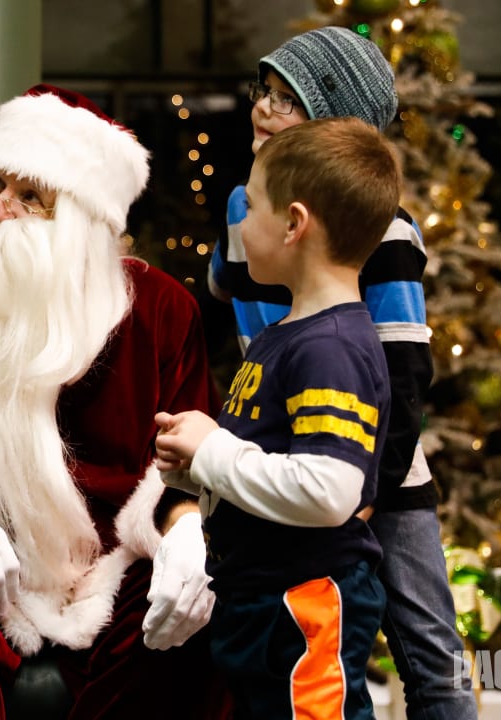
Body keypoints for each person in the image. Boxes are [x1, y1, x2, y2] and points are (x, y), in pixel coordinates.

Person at [0, 85, 231, 719]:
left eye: (31, 197)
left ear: (86, 229)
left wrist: (182, 532)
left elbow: (184, 461)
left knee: (188, 593)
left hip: (107, 576)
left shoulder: (157, 310)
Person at [206, 26, 479, 720]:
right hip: (281, 472)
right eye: (261, 93)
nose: (263, 111)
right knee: (296, 655)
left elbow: (405, 371)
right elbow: (222, 308)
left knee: (429, 649)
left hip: (374, 468)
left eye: (286, 101)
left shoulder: (383, 232)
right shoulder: (248, 209)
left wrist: (366, 493)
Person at [157, 116, 402, 720]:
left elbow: (328, 490)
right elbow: (270, 460)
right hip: (261, 600)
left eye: (251, 206)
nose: (238, 222)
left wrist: (213, 452)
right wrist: (198, 468)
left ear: (293, 224)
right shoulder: (285, 336)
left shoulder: (331, 348)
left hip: (304, 605)